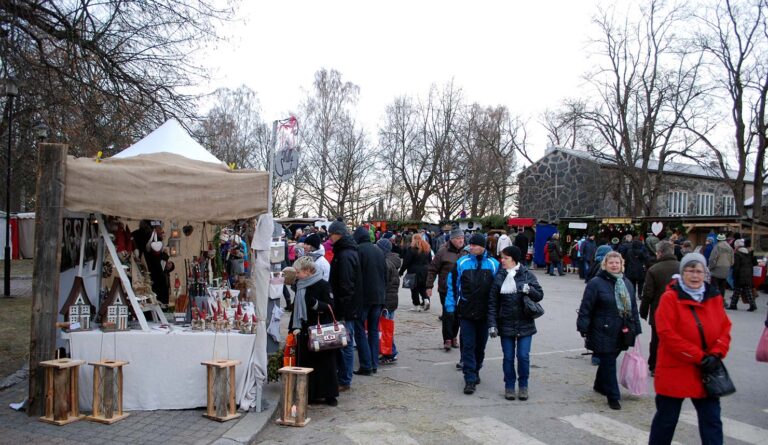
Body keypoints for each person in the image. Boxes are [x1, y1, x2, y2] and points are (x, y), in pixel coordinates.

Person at [648, 253, 731, 445]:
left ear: (705, 274)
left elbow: (725, 328)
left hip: (707, 370)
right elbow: (667, 334)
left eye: (699, 271)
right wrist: (699, 356)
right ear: (682, 273)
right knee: (666, 421)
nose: (695, 275)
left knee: (712, 421)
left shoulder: (713, 297)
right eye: (690, 270)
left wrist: (718, 353)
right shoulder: (670, 298)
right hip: (675, 369)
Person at [577, 251, 642, 410]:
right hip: (602, 328)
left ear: (622, 265)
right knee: (609, 361)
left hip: (622, 329)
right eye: (611, 263)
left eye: (617, 263)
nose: (614, 265)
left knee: (610, 359)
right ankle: (613, 396)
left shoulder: (626, 283)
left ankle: (599, 385)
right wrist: (583, 326)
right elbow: (586, 306)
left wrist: (637, 327)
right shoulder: (595, 283)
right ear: (605, 265)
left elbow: (632, 307)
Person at [445, 233, 500, 395]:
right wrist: (450, 306)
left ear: (482, 246)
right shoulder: (461, 263)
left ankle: (476, 369)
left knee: (480, 346)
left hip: (485, 313)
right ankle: (469, 378)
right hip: (466, 312)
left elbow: (498, 290)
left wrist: (496, 312)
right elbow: (452, 286)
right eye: (470, 245)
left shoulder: (493, 264)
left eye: (475, 245)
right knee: (468, 345)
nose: (471, 247)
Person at [488, 246, 543, 401]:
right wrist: (492, 324)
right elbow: (492, 303)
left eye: (505, 257)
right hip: (505, 323)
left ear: (514, 259)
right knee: (508, 357)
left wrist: (529, 290)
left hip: (525, 323)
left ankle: (523, 385)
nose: (502, 260)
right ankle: (510, 386)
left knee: (523, 356)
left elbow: (539, 295)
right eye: (501, 257)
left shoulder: (527, 275)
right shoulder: (499, 277)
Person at [288, 256, 339, 406]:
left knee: (325, 363)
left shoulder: (323, 285)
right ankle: (308, 394)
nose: (296, 275)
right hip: (303, 330)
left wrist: (315, 304)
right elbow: (296, 310)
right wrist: (293, 327)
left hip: (319, 330)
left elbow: (330, 307)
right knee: (306, 363)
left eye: (298, 272)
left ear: (308, 271)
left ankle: (329, 394)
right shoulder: (300, 286)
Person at [327, 220, 363, 391]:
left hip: (345, 307)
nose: (330, 238)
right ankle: (343, 377)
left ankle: (345, 379)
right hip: (347, 305)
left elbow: (346, 284)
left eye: (331, 234)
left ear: (338, 234)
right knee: (344, 343)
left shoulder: (345, 254)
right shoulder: (346, 252)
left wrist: (341, 308)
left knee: (346, 344)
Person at [640, 240, 679, 375]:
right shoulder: (682, 267)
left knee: (656, 339)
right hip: (679, 312)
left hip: (659, 310)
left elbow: (648, 293)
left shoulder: (654, 269)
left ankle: (655, 365)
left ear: (660, 253)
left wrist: (643, 311)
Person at [352, 226, 387, 375]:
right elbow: (385, 274)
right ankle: (373, 364)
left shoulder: (358, 251)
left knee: (359, 329)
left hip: (364, 297)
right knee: (373, 330)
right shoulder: (378, 250)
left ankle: (366, 365)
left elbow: (356, 275)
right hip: (378, 297)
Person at [427, 228, 467, 351]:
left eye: (462, 238)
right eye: (458, 238)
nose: (461, 241)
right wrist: (429, 286)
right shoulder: (442, 251)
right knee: (448, 314)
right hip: (445, 289)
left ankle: (454, 336)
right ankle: (447, 339)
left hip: (461, 289)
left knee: (458, 315)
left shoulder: (466, 252)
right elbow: (432, 269)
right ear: (452, 239)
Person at [377, 238, 401, 364]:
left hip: (387, 300)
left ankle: (390, 352)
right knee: (387, 327)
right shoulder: (392, 261)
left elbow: (384, 284)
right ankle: (390, 351)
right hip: (392, 299)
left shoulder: (386, 263)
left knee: (385, 328)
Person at [399, 233, 433, 311]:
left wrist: (401, 272)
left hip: (413, 272)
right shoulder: (427, 248)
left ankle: (417, 305)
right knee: (423, 287)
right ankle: (426, 299)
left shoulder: (411, 249)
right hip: (425, 271)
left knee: (414, 289)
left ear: (413, 239)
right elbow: (430, 261)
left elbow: (406, 262)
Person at [729, 238, 757, 311]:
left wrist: (734, 275)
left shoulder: (737, 254)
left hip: (740, 274)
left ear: (737, 246)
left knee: (737, 290)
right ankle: (752, 304)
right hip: (747, 274)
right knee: (747, 289)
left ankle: (733, 305)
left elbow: (736, 266)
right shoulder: (747, 253)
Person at [619, 235, 650, 300]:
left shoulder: (629, 251)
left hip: (631, 269)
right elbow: (647, 259)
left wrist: (625, 268)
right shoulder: (642, 252)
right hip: (640, 270)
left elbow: (626, 261)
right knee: (640, 283)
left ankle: (633, 294)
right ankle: (639, 294)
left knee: (632, 283)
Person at [708, 234, 734, 300]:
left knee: (714, 287)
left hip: (716, 269)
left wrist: (710, 267)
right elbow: (732, 260)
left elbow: (712, 259)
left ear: (718, 239)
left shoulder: (717, 246)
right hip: (726, 269)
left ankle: (715, 301)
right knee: (722, 287)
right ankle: (721, 300)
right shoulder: (729, 247)